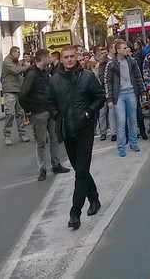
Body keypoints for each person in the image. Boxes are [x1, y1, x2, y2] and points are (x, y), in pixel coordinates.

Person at [48, 45, 105, 229]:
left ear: (77, 58)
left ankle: (75, 213)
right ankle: (94, 198)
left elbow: (99, 97)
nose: (70, 59)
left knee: (80, 172)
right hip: (67, 131)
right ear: (61, 59)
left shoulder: (87, 76)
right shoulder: (54, 80)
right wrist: (57, 115)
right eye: (66, 57)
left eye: (72, 56)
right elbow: (50, 102)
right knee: (79, 169)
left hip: (84, 130)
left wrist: (88, 113)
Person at [20, 49, 70, 180]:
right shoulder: (31, 74)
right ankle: (42, 168)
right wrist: (28, 110)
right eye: (48, 57)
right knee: (41, 141)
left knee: (54, 138)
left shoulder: (44, 72)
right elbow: (23, 93)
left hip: (50, 109)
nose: (51, 59)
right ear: (43, 59)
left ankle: (56, 164)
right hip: (38, 111)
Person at [106, 40, 146, 157]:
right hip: (119, 95)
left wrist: (142, 91)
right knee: (121, 120)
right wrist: (109, 99)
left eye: (126, 48)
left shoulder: (132, 62)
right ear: (118, 50)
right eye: (124, 48)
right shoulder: (111, 64)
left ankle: (133, 142)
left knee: (133, 119)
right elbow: (107, 81)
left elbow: (138, 77)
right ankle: (121, 146)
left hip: (131, 92)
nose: (126, 50)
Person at [1, 46, 29, 145]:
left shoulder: (16, 61)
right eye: (17, 52)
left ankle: (22, 133)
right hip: (10, 90)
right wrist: (28, 67)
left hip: (18, 90)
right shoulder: (7, 62)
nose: (19, 54)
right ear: (12, 53)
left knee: (20, 113)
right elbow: (16, 71)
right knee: (10, 113)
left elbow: (19, 76)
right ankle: (7, 135)